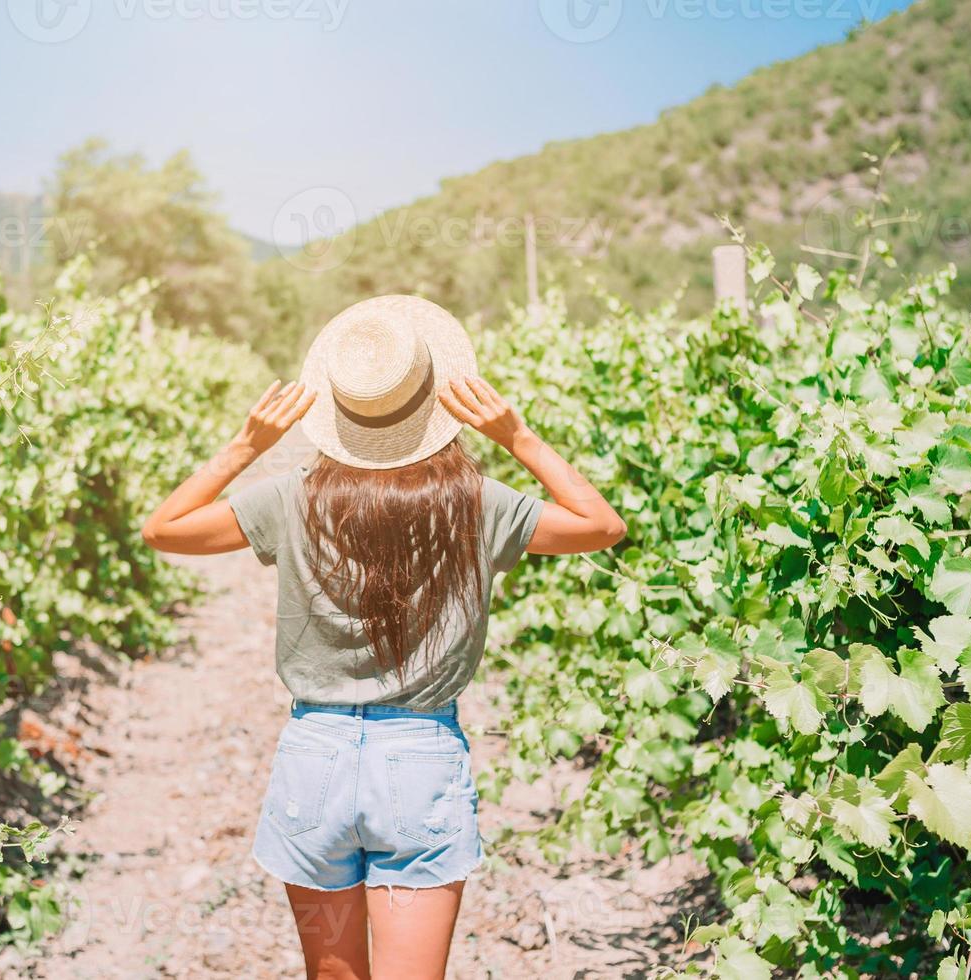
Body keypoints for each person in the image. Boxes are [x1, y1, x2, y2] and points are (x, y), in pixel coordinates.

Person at [142, 295, 625, 980]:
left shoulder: (290, 497)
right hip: (420, 760)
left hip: (315, 756)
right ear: (438, 405)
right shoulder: (477, 503)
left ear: (336, 414)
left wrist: (246, 445)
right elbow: (602, 526)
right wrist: (518, 436)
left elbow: (163, 529)